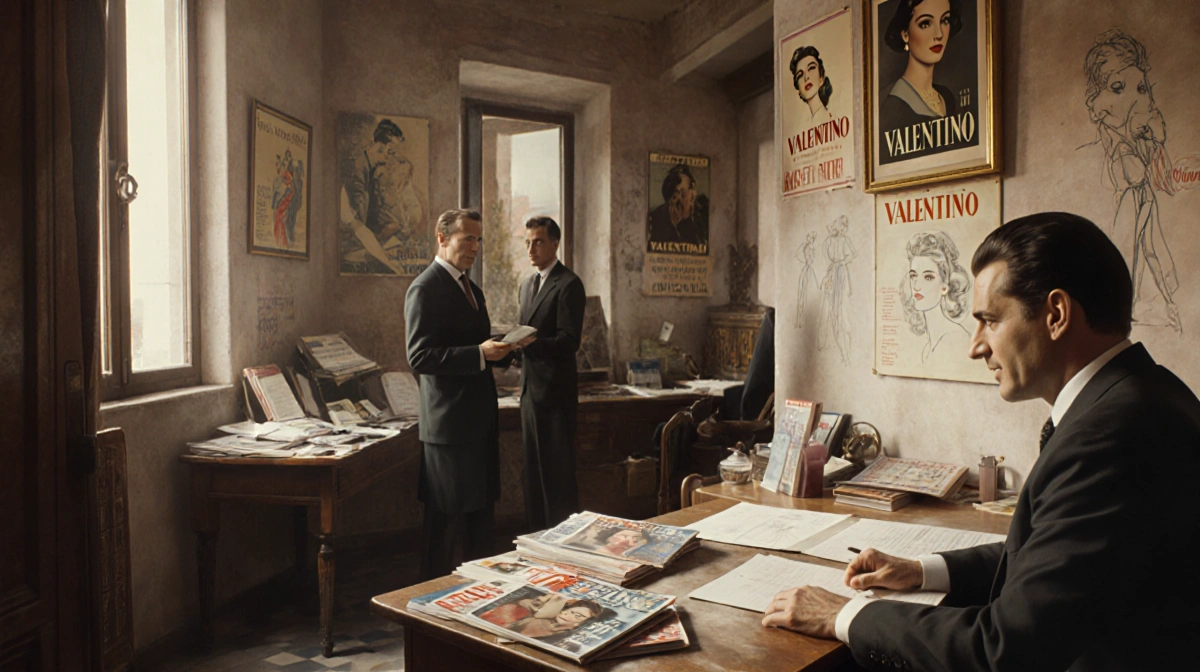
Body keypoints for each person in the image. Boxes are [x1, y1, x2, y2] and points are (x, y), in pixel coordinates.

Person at [762, 212, 1199, 670]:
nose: (975, 346)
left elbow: (1003, 650)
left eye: (989, 320)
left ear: (1056, 314)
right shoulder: (1142, 396)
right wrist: (922, 570)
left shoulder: (1110, 436)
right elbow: (1052, 557)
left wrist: (844, 614)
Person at [405, 208, 532, 580]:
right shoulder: (424, 288)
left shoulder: (471, 289)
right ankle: (428, 613)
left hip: (477, 423)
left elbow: (470, 346)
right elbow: (419, 356)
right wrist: (479, 353)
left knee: (481, 521)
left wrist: (501, 351)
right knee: (442, 528)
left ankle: (483, 602)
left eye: (479, 239)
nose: (475, 247)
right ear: (442, 238)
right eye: (467, 239)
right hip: (447, 430)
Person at [1085, 29, 1180, 331]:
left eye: (1141, 88)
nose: (1133, 98)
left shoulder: (1137, 156)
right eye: (1117, 87)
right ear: (1097, 105)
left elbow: (1150, 244)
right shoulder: (1115, 160)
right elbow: (1126, 247)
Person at [517, 216, 586, 531]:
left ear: (555, 244)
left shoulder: (569, 284)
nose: (531, 249)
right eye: (528, 242)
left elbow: (569, 341)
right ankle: (536, 542)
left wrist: (529, 346)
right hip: (530, 393)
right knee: (533, 474)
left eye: (539, 241)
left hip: (556, 397)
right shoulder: (527, 285)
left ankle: (564, 545)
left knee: (557, 477)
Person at [341, 118, 428, 274]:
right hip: (352, 251)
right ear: (381, 148)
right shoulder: (356, 173)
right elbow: (357, 226)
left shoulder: (368, 169)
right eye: (391, 153)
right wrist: (388, 262)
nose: (391, 159)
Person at [878, 0, 962, 137]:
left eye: (945, 20)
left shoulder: (946, 97)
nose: (939, 34)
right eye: (926, 23)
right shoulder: (894, 109)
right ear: (905, 34)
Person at [899, 230, 971, 364]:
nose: (917, 286)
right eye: (913, 276)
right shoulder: (927, 349)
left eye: (928, 277)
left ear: (944, 286)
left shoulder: (955, 339)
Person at [647, 164, 706, 249]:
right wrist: (673, 227)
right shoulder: (656, 220)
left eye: (693, 187)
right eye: (690, 188)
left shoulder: (702, 213)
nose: (693, 194)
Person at [507, 598, 604, 640]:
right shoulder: (536, 621)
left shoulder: (565, 639)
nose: (565, 613)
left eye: (577, 615)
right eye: (569, 610)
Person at [790, 45, 835, 127]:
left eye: (811, 68)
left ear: (821, 77)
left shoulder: (829, 120)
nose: (806, 77)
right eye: (800, 75)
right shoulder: (807, 125)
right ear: (799, 89)